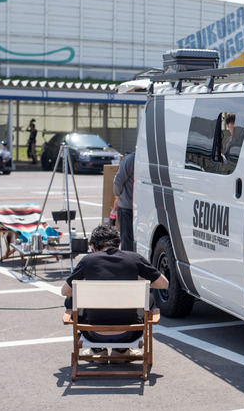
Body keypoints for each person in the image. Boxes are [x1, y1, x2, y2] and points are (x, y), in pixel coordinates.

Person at [61, 224, 169, 359]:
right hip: (130, 333)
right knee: (149, 299)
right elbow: (164, 284)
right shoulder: (134, 259)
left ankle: (97, 349)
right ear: (119, 244)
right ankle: (121, 350)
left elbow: (65, 291)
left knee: (70, 300)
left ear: (93, 246)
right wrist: (134, 276)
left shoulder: (88, 261)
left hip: (94, 334)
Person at [113, 151, 135, 251]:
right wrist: (117, 197)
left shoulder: (130, 159)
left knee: (127, 240)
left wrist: (117, 197)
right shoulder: (133, 159)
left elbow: (118, 181)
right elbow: (118, 181)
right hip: (130, 207)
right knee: (128, 240)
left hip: (127, 206)